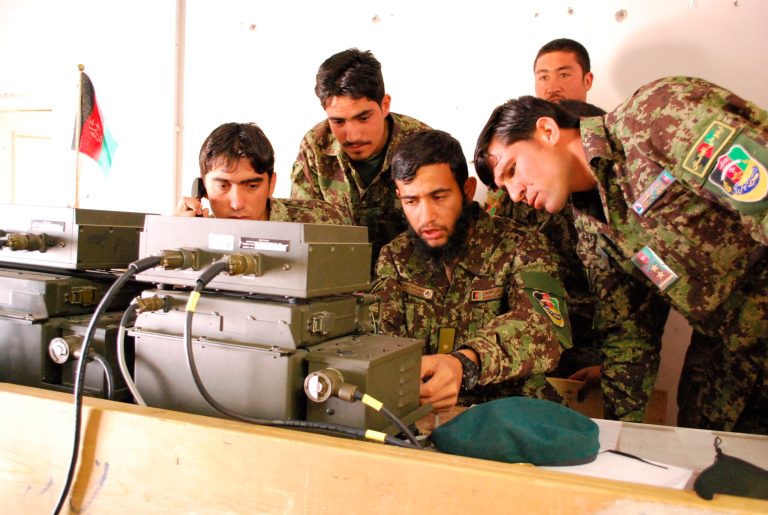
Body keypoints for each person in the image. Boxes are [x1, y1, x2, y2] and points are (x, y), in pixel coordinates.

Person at [473, 76, 768, 434]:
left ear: (547, 130)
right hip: (733, 344)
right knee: (705, 444)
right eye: (504, 186)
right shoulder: (592, 230)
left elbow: (760, 195)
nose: (515, 193)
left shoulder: (656, 117)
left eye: (512, 170)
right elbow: (630, 336)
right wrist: (617, 439)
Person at [372, 129, 572, 412]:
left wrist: (465, 364)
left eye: (439, 197)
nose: (425, 217)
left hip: (508, 415)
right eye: (411, 201)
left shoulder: (521, 245)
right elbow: (378, 342)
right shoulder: (395, 257)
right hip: (419, 416)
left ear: (466, 190)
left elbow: (546, 330)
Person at [484, 38, 607, 397]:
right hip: (537, 323)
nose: (553, 86)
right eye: (543, 76)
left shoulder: (615, 156)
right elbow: (495, 241)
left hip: (601, 329)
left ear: (587, 79)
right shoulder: (514, 153)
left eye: (564, 74)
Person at [290, 48, 431, 267]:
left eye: (363, 118)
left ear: (385, 105)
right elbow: (301, 229)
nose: (353, 136)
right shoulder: (315, 147)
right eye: (338, 122)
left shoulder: (422, 146)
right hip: (337, 273)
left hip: (409, 276)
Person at [175, 122, 346, 224]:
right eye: (222, 186)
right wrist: (173, 234)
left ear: (271, 185)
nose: (237, 204)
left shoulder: (319, 220)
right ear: (203, 188)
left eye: (252, 186)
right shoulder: (194, 233)